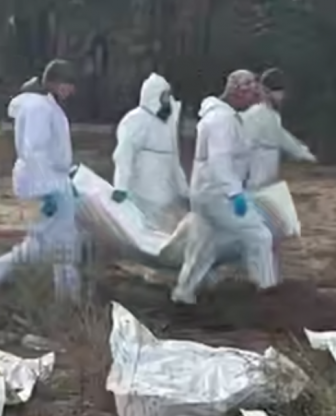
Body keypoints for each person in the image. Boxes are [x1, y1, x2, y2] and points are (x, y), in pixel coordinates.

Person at [0, 59, 80, 306]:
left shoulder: (45, 106)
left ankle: (68, 298)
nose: (72, 91)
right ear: (56, 83)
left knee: (58, 244)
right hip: (42, 185)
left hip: (50, 182)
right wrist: (46, 192)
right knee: (45, 247)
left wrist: (66, 181)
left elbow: (51, 151)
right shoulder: (39, 108)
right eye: (69, 84)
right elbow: (33, 151)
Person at [172, 70, 278, 305]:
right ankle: (268, 295)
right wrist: (235, 193)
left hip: (205, 192)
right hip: (219, 194)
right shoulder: (222, 121)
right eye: (252, 94)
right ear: (238, 91)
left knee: (204, 248)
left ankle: (183, 294)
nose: (254, 101)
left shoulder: (220, 117)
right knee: (259, 237)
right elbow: (219, 161)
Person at [111, 73, 188, 233]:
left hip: (166, 196)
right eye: (164, 95)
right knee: (143, 233)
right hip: (142, 194)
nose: (168, 99)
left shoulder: (168, 124)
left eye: (168, 95)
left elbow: (174, 160)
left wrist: (183, 190)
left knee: (163, 235)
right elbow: (124, 155)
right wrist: (121, 185)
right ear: (154, 96)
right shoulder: (135, 120)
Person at [243, 68, 316, 190]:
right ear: (264, 91)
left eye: (281, 91)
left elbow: (282, 136)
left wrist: (304, 152)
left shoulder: (272, 116)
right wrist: (303, 153)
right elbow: (282, 139)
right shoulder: (255, 115)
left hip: (266, 183)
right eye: (276, 91)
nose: (281, 96)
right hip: (253, 184)